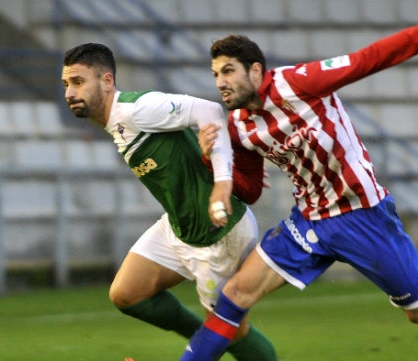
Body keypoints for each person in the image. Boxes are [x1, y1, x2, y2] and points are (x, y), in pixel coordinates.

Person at [181, 4, 418, 360]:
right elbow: (249, 189)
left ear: (255, 70)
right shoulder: (239, 127)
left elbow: (368, 60)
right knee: (232, 296)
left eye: (228, 71)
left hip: (363, 216)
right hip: (309, 221)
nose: (220, 82)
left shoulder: (299, 84)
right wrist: (210, 155)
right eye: (215, 74)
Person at [60, 43, 277, 361]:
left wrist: (223, 180)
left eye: (78, 82)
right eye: (66, 84)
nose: (69, 92)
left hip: (217, 232)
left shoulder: (137, 109)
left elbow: (209, 111)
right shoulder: (116, 124)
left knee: (235, 330)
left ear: (106, 81)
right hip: (179, 227)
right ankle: (206, 336)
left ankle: (215, 338)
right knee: (127, 294)